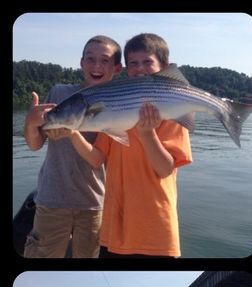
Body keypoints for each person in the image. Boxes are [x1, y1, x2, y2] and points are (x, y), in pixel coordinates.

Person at [67, 33, 192, 257]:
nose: (140, 68)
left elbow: (165, 169)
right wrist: (72, 131)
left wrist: (147, 134)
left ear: (164, 66)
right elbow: (97, 158)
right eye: (133, 63)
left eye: (147, 62)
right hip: (114, 231)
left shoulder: (173, 112)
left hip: (155, 233)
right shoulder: (116, 109)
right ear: (125, 69)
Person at [23, 35, 122, 258]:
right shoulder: (59, 94)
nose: (96, 65)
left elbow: (105, 156)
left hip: (94, 203)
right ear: (81, 63)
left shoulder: (123, 101)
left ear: (117, 68)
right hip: (52, 200)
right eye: (90, 58)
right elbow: (35, 143)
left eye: (105, 60)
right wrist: (30, 123)